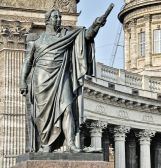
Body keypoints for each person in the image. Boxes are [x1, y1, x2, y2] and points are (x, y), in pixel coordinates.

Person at [20, 9, 106, 153]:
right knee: (43, 115)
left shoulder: (67, 36)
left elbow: (85, 36)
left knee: (67, 109)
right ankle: (46, 143)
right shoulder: (37, 42)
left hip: (62, 76)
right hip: (41, 79)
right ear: (47, 20)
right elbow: (27, 63)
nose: (59, 19)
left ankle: (71, 144)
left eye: (60, 17)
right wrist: (22, 81)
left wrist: (96, 25)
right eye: (55, 17)